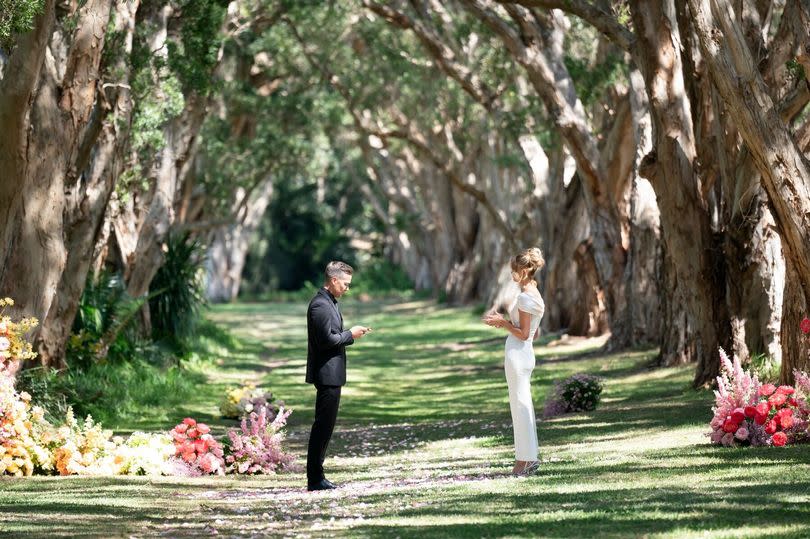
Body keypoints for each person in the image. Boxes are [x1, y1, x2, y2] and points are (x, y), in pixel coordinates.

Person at [305, 261, 370, 491]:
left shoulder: (330, 302)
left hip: (333, 375)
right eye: (345, 284)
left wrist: (349, 334)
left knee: (326, 427)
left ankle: (318, 476)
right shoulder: (320, 305)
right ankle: (315, 478)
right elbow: (326, 341)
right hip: (326, 375)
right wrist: (350, 334)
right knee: (322, 427)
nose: (347, 289)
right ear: (333, 280)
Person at [482, 248, 545, 475]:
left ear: (526, 270)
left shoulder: (525, 297)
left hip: (519, 354)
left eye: (515, 271)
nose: (512, 275)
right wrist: (510, 322)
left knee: (520, 407)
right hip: (524, 354)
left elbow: (525, 333)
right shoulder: (534, 294)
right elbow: (534, 332)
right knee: (520, 405)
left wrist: (503, 323)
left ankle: (526, 460)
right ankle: (525, 458)